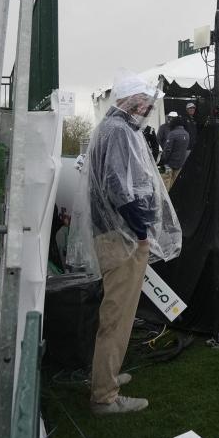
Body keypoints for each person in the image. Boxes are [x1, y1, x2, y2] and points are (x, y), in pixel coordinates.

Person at [86, 71, 182, 415]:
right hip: (121, 238)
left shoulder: (118, 129)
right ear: (133, 100)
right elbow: (118, 186)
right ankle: (104, 395)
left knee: (121, 314)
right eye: (146, 101)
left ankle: (106, 375)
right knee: (117, 314)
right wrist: (141, 231)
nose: (149, 107)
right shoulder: (118, 131)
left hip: (119, 235)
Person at [157, 118, 189, 190]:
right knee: (174, 184)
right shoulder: (187, 134)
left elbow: (167, 150)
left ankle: (165, 200)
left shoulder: (172, 134)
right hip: (179, 164)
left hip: (168, 164)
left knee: (164, 183)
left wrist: (162, 161)